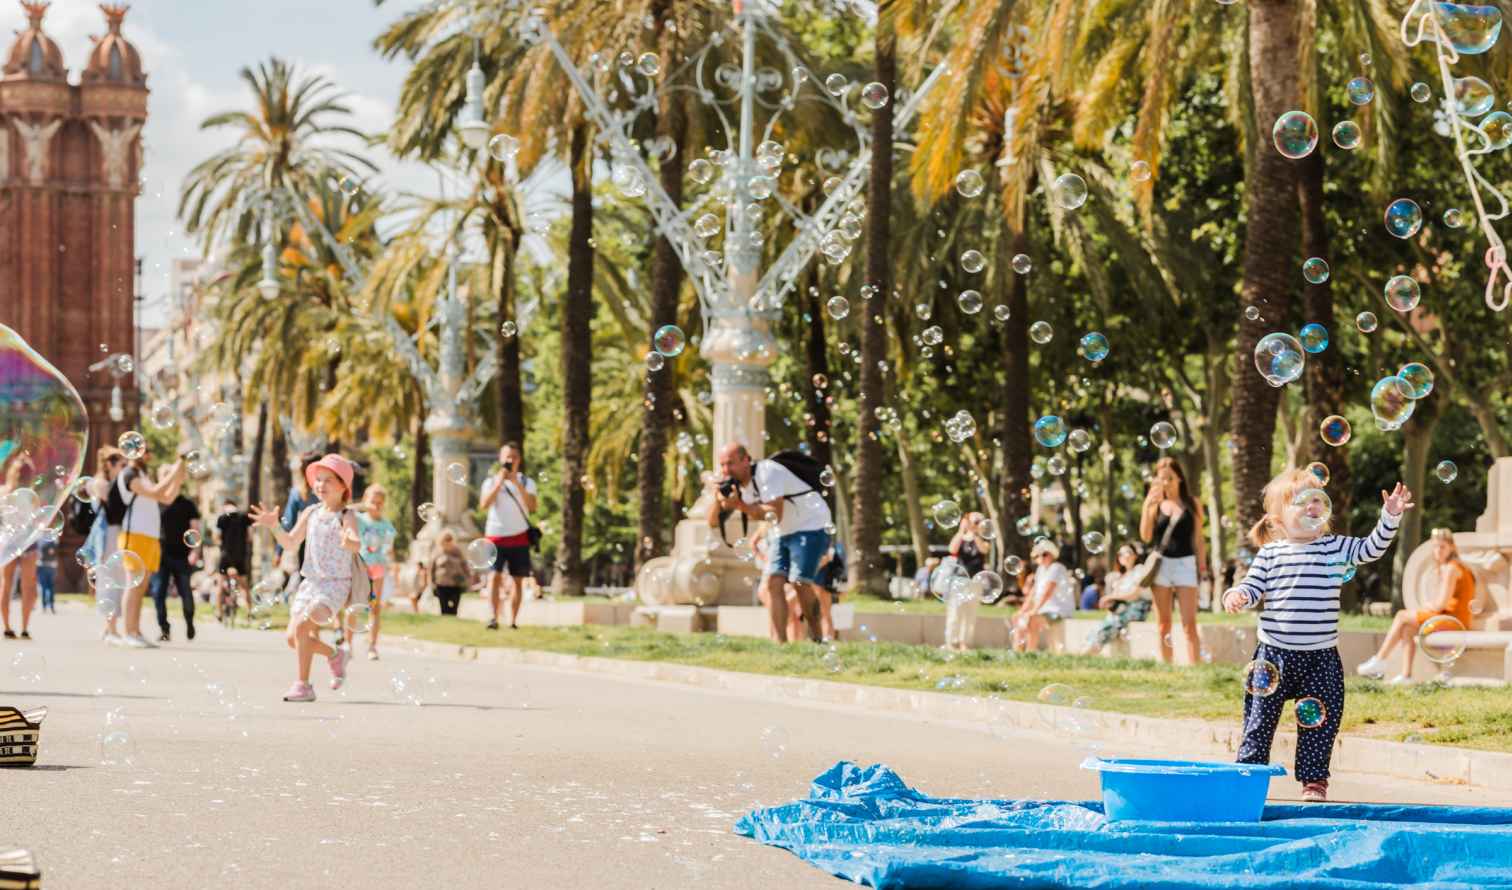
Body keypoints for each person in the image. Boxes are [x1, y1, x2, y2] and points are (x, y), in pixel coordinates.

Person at [1224, 470, 1413, 802]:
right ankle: (1247, 779)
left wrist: (1390, 516)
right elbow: (1253, 587)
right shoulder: (1270, 554)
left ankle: (1314, 782)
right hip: (1273, 655)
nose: (1312, 506)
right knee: (1258, 721)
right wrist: (1237, 595)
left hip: (1321, 657)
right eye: (1301, 501)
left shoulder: (1335, 548)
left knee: (1319, 725)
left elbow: (1371, 549)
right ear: (1277, 519)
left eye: (1317, 500)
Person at [251, 453, 360, 702]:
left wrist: (351, 541)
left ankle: (303, 685)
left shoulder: (346, 515)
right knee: (294, 638)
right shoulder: (310, 512)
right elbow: (290, 543)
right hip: (309, 584)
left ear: (343, 485)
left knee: (302, 628)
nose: (320, 484)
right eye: (318, 479)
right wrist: (274, 526)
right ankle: (335, 654)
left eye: (328, 480)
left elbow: (354, 540)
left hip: (333, 587)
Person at [708, 443, 832, 644]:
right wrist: (717, 498)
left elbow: (775, 513)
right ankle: (780, 643)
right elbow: (713, 522)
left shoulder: (768, 472)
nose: (725, 470)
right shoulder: (735, 484)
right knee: (773, 582)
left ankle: (818, 639)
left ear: (746, 460)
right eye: (722, 465)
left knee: (800, 582)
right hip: (782, 531)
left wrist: (739, 505)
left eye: (730, 463)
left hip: (811, 525)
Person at [1357, 527, 1474, 684]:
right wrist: (1430, 607)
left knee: (1401, 616)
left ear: (1451, 547)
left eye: (1442, 547)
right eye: (1435, 547)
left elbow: (1441, 604)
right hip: (1451, 619)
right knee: (1408, 628)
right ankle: (1406, 676)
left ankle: (1380, 659)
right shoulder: (1453, 567)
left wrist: (1428, 607)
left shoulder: (1451, 568)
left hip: (1454, 622)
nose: (1438, 551)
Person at [1139, 457, 1210, 665]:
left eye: (1170, 478)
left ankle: (1195, 666)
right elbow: (1145, 536)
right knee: (1163, 624)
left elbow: (1198, 539)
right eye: (1161, 479)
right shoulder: (1155, 504)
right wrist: (1146, 506)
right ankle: (1168, 668)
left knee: (1189, 623)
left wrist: (1202, 567)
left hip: (1186, 564)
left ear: (1179, 478)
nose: (1166, 482)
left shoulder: (1193, 503)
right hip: (1161, 566)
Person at [115, 451, 189, 648]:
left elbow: (167, 498)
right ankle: (128, 632)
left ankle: (136, 631)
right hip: (135, 535)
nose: (148, 455)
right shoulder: (129, 474)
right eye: (145, 451)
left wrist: (179, 475)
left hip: (150, 537)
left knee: (141, 587)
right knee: (133, 585)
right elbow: (157, 492)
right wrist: (175, 467)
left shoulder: (143, 476)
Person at [479, 442, 537, 630]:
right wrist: (499, 482)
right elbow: (484, 504)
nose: (510, 460)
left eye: (513, 457)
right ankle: (493, 618)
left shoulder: (527, 483)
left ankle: (512, 621)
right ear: (500, 458)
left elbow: (533, 506)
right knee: (493, 577)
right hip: (495, 535)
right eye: (506, 456)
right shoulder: (490, 482)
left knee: (518, 580)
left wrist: (516, 483)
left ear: (519, 460)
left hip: (519, 535)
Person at [150, 477, 201, 642]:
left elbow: (195, 530)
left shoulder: (187, 504)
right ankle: (164, 628)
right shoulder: (156, 502)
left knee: (186, 592)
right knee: (158, 593)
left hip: (181, 555)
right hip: (160, 555)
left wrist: (195, 551)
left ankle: (189, 622)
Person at [89, 446, 128, 643]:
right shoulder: (101, 483)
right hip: (107, 536)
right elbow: (112, 505)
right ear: (109, 464)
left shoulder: (116, 482)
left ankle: (110, 628)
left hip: (118, 532)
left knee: (119, 578)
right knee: (108, 580)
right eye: (121, 463)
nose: (125, 467)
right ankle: (111, 628)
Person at [353, 485, 395, 660]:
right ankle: (348, 644)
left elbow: (389, 547)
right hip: (360, 566)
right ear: (365, 501)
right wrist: (363, 505)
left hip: (378, 567)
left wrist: (393, 565)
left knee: (375, 607)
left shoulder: (386, 525)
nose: (376, 505)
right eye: (372, 501)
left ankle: (372, 645)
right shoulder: (360, 519)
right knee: (354, 604)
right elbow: (345, 511)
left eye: (380, 502)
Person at [1085, 543, 1152, 655]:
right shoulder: (1119, 577)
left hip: (1135, 610)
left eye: (1128, 552)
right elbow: (1117, 600)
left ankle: (1086, 655)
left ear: (1135, 556)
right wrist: (1109, 603)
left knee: (1105, 629)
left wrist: (1109, 597)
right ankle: (1085, 653)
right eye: (1121, 554)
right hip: (1120, 613)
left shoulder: (1139, 570)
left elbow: (1134, 595)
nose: (1124, 556)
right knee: (1099, 628)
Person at [1010, 539, 1075, 653]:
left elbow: (1047, 592)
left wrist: (1033, 611)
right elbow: (1033, 593)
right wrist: (1023, 610)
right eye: (1038, 555)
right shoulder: (1041, 570)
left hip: (1059, 610)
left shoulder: (1057, 568)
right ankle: (1017, 652)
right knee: (1018, 618)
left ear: (1052, 554)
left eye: (1045, 554)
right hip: (1045, 610)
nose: (1041, 557)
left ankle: (1030, 652)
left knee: (1031, 619)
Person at [0, 456, 40, 639]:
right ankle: (25, 628)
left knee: (5, 586)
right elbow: (37, 519)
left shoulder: (3, 492)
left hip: (7, 541)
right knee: (28, 587)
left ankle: (7, 627)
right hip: (28, 542)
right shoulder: (31, 495)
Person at [944, 513, 989, 651]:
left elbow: (984, 549)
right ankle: (951, 642)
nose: (976, 523)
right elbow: (952, 549)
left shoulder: (983, 539)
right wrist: (961, 531)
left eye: (979, 521)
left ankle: (965, 643)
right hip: (960, 579)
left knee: (970, 613)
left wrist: (975, 534)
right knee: (955, 611)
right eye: (974, 520)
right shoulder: (961, 538)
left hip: (975, 579)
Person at [425, 530, 473, 616]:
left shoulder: (457, 551)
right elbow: (431, 569)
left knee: (454, 608)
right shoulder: (437, 552)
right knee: (444, 608)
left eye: (450, 539)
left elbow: (464, 565)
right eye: (446, 539)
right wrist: (431, 583)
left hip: (456, 583)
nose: (448, 541)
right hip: (441, 584)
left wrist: (468, 578)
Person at [214, 499, 252, 582]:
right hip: (241, 553)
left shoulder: (222, 518)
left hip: (226, 554)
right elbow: (249, 538)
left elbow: (217, 538)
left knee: (221, 582)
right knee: (243, 583)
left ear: (225, 506)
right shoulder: (244, 517)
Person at [35, 538, 56, 615]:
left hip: (43, 566)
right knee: (50, 587)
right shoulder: (53, 542)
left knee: (45, 587)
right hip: (51, 566)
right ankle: (51, 606)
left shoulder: (40, 541)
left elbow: (38, 555)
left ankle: (46, 606)